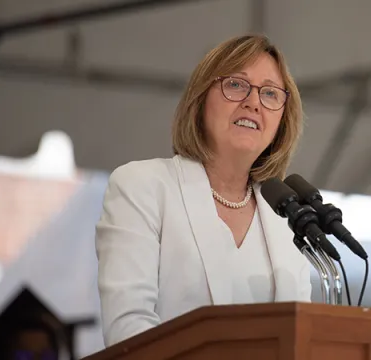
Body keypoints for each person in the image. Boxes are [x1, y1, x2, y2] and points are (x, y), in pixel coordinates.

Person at [95, 34, 311, 347]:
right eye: (236, 84)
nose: (253, 102)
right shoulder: (142, 186)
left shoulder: (288, 217)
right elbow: (127, 329)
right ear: (201, 98)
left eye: (270, 93)